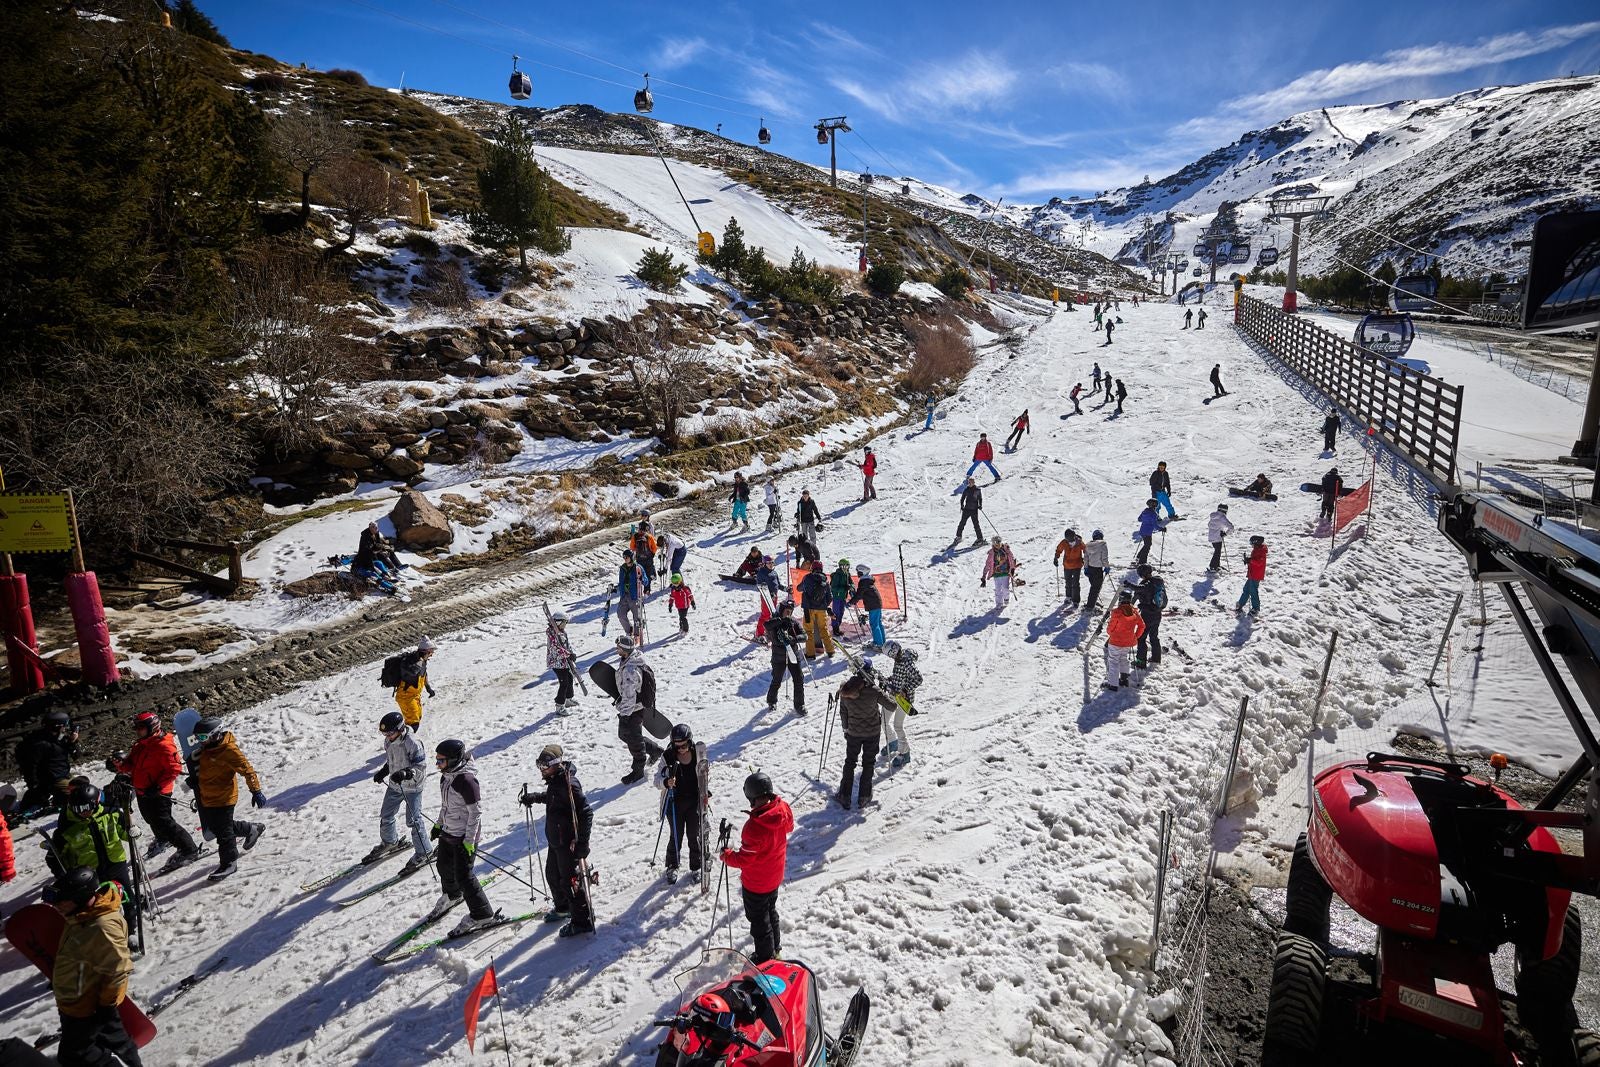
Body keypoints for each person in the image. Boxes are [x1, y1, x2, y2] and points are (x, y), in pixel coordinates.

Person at [49, 867, 142, 1067]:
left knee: (79, 1055)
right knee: (84, 1051)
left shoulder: (101, 925)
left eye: (62, 901)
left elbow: (118, 970)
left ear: (80, 897)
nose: (57, 906)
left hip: (90, 1006)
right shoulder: (80, 916)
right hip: (76, 1002)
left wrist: (106, 1007)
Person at [109, 712, 201, 870]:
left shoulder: (163, 745)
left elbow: (174, 769)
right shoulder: (141, 744)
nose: (138, 731)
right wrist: (120, 765)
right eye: (136, 727)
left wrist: (158, 787)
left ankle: (188, 849)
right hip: (142, 790)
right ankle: (163, 838)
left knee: (164, 822)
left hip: (159, 792)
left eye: (141, 727)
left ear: (152, 727)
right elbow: (132, 766)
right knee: (150, 818)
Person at [429, 739, 501, 936]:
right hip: (449, 830)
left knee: (464, 876)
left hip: (465, 836)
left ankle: (482, 914)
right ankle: (452, 895)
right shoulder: (446, 777)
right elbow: (446, 805)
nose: (438, 765)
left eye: (441, 761)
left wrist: (469, 841)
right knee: (443, 865)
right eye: (437, 760)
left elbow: (475, 813)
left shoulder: (467, 781)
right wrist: (439, 824)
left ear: (453, 760)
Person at [521, 745, 594, 936]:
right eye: (539, 765)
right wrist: (535, 797)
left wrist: (583, 844)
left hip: (568, 843)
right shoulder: (555, 780)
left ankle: (582, 921)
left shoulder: (570, 784)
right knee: (552, 875)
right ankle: (563, 908)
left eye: (544, 765)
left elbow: (586, 813)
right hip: (556, 840)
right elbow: (554, 798)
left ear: (556, 764)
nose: (541, 770)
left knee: (570, 882)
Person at [721, 773, 794, 963]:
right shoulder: (783, 809)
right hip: (774, 877)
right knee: (771, 911)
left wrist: (727, 856)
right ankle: (775, 948)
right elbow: (790, 827)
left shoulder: (754, 827)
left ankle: (764, 958)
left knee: (759, 922)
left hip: (756, 884)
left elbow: (745, 860)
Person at [189, 716, 266, 881]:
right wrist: (194, 781)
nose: (199, 741)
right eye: (197, 738)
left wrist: (256, 790)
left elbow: (248, 770)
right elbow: (208, 770)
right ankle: (251, 829)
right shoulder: (207, 749)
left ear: (215, 734)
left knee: (224, 834)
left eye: (202, 737)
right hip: (208, 796)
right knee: (218, 828)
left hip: (224, 797)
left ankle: (229, 863)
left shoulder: (229, 750)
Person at [49, 781, 133, 926]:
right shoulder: (67, 828)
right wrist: (64, 875)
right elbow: (54, 857)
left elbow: (124, 833)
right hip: (91, 872)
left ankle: (131, 926)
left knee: (127, 897)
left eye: (87, 807)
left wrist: (132, 831)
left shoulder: (110, 813)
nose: (83, 811)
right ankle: (110, 928)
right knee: (100, 904)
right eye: (78, 808)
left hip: (116, 863)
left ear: (96, 802)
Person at [368, 711, 432, 873]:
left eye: (390, 733)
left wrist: (406, 773)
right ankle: (390, 842)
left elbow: (421, 767)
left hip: (413, 787)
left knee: (413, 820)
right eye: (384, 733)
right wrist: (384, 771)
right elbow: (392, 761)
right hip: (395, 785)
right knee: (386, 814)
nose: (387, 736)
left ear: (400, 728)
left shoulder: (413, 742)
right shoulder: (388, 742)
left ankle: (424, 851)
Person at [835, 665, 894, 809]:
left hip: (853, 733)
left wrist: (846, 728)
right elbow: (892, 706)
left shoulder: (845, 690)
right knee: (868, 763)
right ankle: (864, 796)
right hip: (872, 733)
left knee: (850, 762)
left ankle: (844, 795)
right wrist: (885, 692)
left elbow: (843, 712)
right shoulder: (874, 691)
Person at [611, 635, 663, 784]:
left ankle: (638, 770)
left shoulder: (630, 671)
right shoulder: (631, 659)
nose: (617, 649)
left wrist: (625, 714)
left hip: (633, 709)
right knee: (626, 735)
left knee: (633, 739)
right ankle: (654, 750)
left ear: (625, 650)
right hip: (633, 708)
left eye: (619, 648)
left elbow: (629, 696)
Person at [656, 725, 702, 884]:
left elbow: (704, 774)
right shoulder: (668, 756)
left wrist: (705, 791)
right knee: (676, 834)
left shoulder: (698, 753)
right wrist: (665, 782)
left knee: (693, 834)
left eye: (684, 745)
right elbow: (657, 780)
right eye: (677, 746)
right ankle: (672, 865)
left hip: (694, 801)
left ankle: (696, 866)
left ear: (690, 741)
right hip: (674, 802)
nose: (681, 749)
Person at [17, 710, 78, 814]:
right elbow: (30, 767)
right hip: (53, 780)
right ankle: (57, 798)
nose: (66, 728)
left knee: (84, 784)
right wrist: (34, 786)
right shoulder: (41, 744)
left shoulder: (59, 739)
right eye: (64, 725)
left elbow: (76, 756)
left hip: (63, 774)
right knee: (78, 794)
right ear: (57, 727)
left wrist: (73, 743)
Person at [879, 640, 922, 766]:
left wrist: (905, 690)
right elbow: (899, 676)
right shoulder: (898, 660)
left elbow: (918, 679)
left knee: (898, 725)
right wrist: (889, 680)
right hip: (894, 695)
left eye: (890, 654)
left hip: (904, 700)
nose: (891, 657)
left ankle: (905, 753)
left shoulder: (906, 662)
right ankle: (893, 742)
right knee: (884, 720)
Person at [764, 600, 806, 716]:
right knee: (776, 680)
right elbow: (766, 625)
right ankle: (771, 701)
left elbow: (804, 636)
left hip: (793, 656)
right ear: (782, 611)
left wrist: (793, 639)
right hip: (779, 657)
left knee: (799, 679)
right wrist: (781, 621)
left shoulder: (793, 622)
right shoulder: (775, 621)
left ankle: (799, 704)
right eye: (786, 611)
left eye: (790, 611)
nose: (789, 614)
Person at [1103, 592, 1146, 691]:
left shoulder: (1117, 612)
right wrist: (1135, 636)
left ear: (1120, 600)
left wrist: (1111, 633)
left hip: (1115, 642)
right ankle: (1124, 679)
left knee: (1113, 661)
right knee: (1123, 658)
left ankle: (1112, 684)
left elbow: (1110, 629)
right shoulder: (1134, 612)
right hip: (1128, 641)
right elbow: (1142, 625)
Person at [392, 637, 437, 729]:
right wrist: (420, 661)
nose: (432, 655)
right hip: (406, 697)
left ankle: (404, 739)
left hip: (415, 696)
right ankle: (405, 741)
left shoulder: (422, 661)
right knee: (413, 723)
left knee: (417, 718)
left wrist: (428, 688)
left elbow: (424, 674)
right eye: (431, 652)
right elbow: (412, 672)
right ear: (426, 651)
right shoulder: (410, 661)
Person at [1128, 564, 1167, 668]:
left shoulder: (1146, 584)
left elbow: (1139, 589)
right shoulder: (1158, 581)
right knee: (1154, 636)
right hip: (1157, 613)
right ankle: (1156, 658)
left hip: (1147, 615)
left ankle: (1141, 662)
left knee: (1141, 638)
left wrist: (1129, 585)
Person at [798, 561, 836, 659]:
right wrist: (823, 605)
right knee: (824, 629)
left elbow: (799, 588)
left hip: (808, 609)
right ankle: (830, 650)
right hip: (821, 610)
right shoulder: (825, 580)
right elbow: (830, 597)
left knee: (809, 631)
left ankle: (810, 654)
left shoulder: (807, 578)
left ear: (812, 568)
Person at [546, 609, 579, 714]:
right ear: (558, 622)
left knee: (569, 678)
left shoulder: (562, 633)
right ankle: (559, 705)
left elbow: (567, 645)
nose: (565, 625)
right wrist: (568, 654)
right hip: (556, 662)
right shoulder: (552, 634)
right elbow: (556, 649)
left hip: (564, 661)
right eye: (564, 623)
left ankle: (568, 699)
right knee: (564, 683)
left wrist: (572, 653)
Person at [847, 564, 887, 649]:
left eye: (858, 572)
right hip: (876, 603)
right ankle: (882, 642)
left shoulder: (864, 582)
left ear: (862, 573)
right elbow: (863, 594)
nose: (857, 574)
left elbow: (859, 594)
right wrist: (855, 598)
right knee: (878, 623)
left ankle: (879, 644)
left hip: (873, 605)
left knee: (874, 624)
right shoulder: (867, 580)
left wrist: (851, 602)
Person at [616, 549, 647, 641]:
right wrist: (616, 588)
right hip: (624, 595)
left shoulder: (638, 567)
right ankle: (629, 631)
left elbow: (646, 581)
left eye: (627, 557)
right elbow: (621, 582)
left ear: (632, 557)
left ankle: (637, 635)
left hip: (635, 596)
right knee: (620, 614)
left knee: (637, 617)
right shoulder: (622, 568)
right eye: (624, 557)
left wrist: (642, 579)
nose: (625, 559)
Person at [981, 536, 1017, 613]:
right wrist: (984, 576)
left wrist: (1012, 568)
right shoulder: (991, 553)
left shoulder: (1006, 550)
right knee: (998, 589)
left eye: (998, 543)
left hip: (1005, 572)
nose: (997, 545)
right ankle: (999, 603)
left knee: (1005, 588)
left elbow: (1011, 559)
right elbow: (988, 564)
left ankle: (1006, 598)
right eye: (995, 544)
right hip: (996, 574)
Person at [1053, 528, 1085, 608]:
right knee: (1068, 581)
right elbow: (1059, 549)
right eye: (1068, 539)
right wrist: (1056, 558)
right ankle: (1069, 597)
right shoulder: (1064, 542)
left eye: (1070, 539)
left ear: (1074, 536)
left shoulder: (1079, 542)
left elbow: (1085, 550)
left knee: (1075, 583)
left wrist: (1086, 559)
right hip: (1067, 565)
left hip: (1077, 565)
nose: (1069, 541)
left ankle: (1076, 600)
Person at [1237, 536, 1268, 616]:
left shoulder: (1261, 551)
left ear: (1256, 543)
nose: (1251, 545)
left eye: (1252, 543)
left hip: (1256, 574)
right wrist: (1248, 560)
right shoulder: (1256, 549)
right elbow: (1254, 560)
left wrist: (1250, 560)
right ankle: (1240, 604)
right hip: (1252, 573)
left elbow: (1259, 562)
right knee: (1246, 589)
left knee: (1253, 591)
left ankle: (1256, 608)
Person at [752, 555, 779, 641]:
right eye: (769, 563)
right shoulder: (761, 573)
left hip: (774, 597)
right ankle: (758, 634)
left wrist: (787, 589)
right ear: (764, 563)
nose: (771, 564)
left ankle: (768, 631)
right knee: (765, 615)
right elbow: (759, 586)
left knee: (773, 615)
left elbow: (778, 585)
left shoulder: (774, 573)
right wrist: (768, 594)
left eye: (772, 562)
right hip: (766, 597)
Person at [1134, 499, 1166, 568]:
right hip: (1148, 532)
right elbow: (1154, 525)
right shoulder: (1153, 514)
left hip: (1142, 531)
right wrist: (1161, 528)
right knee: (1147, 545)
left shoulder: (1145, 511)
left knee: (1147, 545)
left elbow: (1139, 519)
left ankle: (1139, 557)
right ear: (1155, 505)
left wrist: (1145, 519)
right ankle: (1142, 562)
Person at [1083, 530, 1109, 611]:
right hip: (1098, 569)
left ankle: (1091, 602)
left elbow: (1086, 558)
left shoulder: (1088, 545)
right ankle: (1090, 606)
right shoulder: (1103, 544)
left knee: (1093, 587)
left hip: (1090, 568)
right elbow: (1104, 558)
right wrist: (1107, 566)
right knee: (1095, 588)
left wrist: (1086, 568)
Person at [953, 477, 984, 546]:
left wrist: (980, 505)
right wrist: (962, 505)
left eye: (970, 482)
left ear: (973, 482)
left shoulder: (977, 490)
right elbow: (962, 498)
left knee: (976, 525)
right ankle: (958, 536)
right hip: (966, 509)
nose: (969, 484)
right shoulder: (966, 490)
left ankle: (980, 538)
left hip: (974, 510)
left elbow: (980, 498)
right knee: (962, 523)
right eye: (968, 482)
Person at [629, 523, 659, 594]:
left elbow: (631, 547)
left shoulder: (635, 536)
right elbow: (655, 548)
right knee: (648, 575)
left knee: (639, 574)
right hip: (648, 559)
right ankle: (647, 591)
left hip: (639, 559)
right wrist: (652, 554)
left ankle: (637, 591)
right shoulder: (649, 536)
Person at [828, 558, 853, 637]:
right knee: (836, 612)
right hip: (837, 596)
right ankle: (835, 629)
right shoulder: (837, 575)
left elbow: (851, 582)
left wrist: (851, 587)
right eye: (845, 566)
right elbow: (833, 587)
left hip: (843, 597)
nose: (846, 568)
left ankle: (837, 627)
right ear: (841, 566)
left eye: (847, 566)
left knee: (841, 612)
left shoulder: (847, 574)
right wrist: (844, 588)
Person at [1207, 504, 1235, 573]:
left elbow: (1209, 524)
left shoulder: (1213, 516)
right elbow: (1231, 527)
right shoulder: (1222, 517)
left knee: (1217, 551)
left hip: (1211, 537)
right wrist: (1225, 533)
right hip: (1218, 538)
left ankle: (1216, 565)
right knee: (1217, 552)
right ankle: (1213, 566)